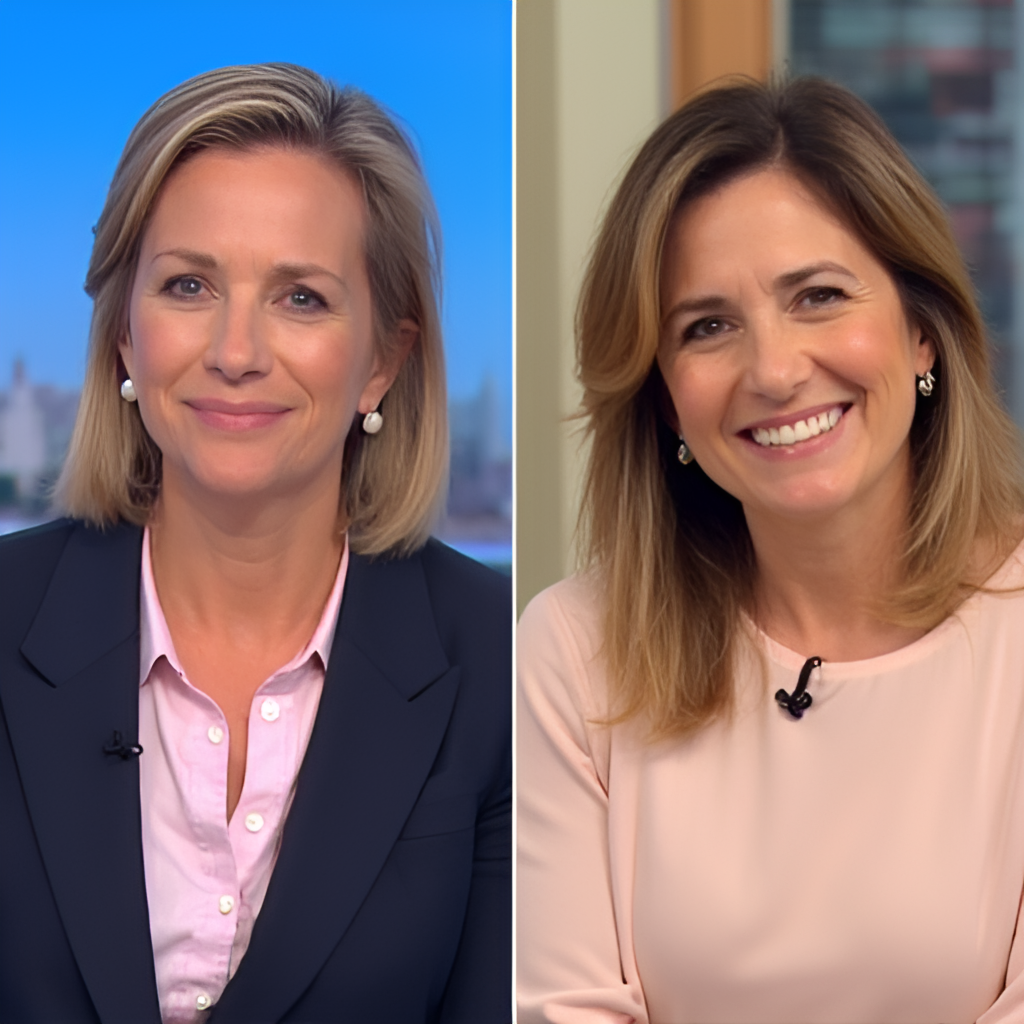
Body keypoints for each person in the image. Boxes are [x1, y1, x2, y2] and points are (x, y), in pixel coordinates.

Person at [0, 64, 510, 1024]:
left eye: (301, 298)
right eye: (188, 285)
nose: (236, 351)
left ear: (384, 361)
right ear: (124, 338)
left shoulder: (498, 658)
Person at [517, 76, 1024, 1024]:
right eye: (707, 327)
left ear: (922, 333)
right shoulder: (570, 654)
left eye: (819, 296)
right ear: (665, 394)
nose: (776, 371)